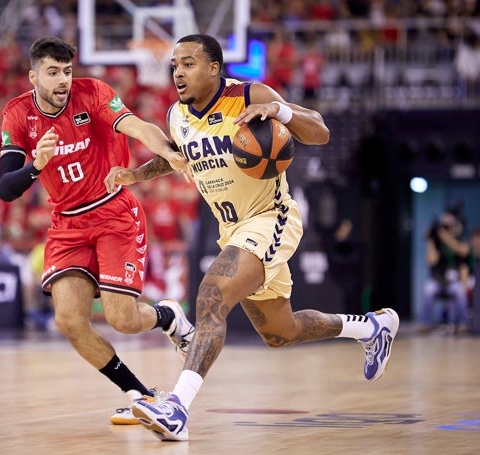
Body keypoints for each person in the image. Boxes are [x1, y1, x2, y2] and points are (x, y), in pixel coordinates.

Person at [104, 34, 400, 441]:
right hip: (233, 229)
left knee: (210, 296)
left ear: (213, 68)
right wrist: (138, 174)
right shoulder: (176, 114)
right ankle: (371, 328)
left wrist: (279, 110)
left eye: (187, 63)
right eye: (174, 65)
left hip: (270, 218)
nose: (177, 72)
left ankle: (176, 407)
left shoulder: (247, 96)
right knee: (281, 332)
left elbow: (320, 132)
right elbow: (179, 155)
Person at [0, 37, 195, 425]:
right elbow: (6, 189)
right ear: (33, 75)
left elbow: (136, 126)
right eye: (53, 72)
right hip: (67, 222)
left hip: (113, 213)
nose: (63, 80)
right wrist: (36, 165)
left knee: (122, 319)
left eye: (67, 71)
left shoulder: (92, 93)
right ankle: (142, 394)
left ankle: (168, 317)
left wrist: (168, 151)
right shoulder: (18, 114)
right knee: (69, 320)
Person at [418, 209, 471, 334]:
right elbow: (431, 260)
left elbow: (463, 250)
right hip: (438, 280)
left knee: (460, 292)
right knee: (428, 290)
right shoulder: (436, 241)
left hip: (454, 282)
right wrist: (431, 240)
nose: (446, 228)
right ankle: (425, 323)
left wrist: (445, 236)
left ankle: (463, 324)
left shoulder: (458, 238)